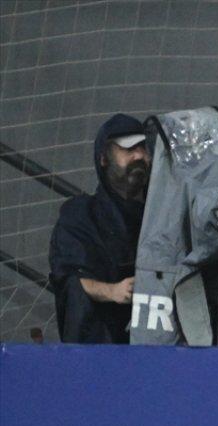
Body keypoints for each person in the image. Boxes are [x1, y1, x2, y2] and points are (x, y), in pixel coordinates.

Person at [48, 114, 150, 343]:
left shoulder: (161, 216)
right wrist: (113, 291)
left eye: (143, 148)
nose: (139, 156)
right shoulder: (80, 215)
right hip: (100, 343)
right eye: (128, 149)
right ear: (104, 158)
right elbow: (69, 279)